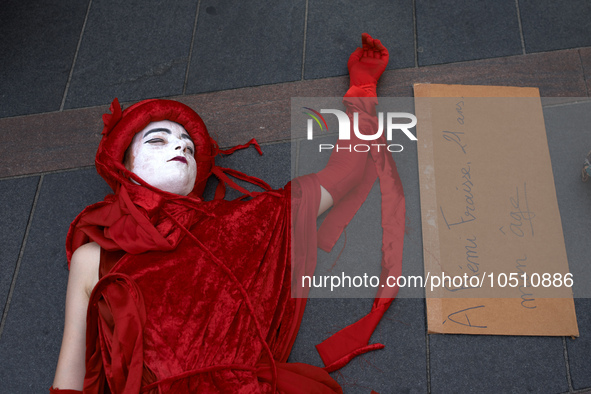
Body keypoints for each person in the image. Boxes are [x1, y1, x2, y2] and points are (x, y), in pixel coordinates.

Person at [51, 33, 405, 393]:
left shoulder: (248, 222)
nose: (179, 145)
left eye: (188, 146)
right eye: (158, 139)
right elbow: (72, 374)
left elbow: (342, 175)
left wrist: (362, 89)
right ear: (123, 164)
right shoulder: (93, 256)